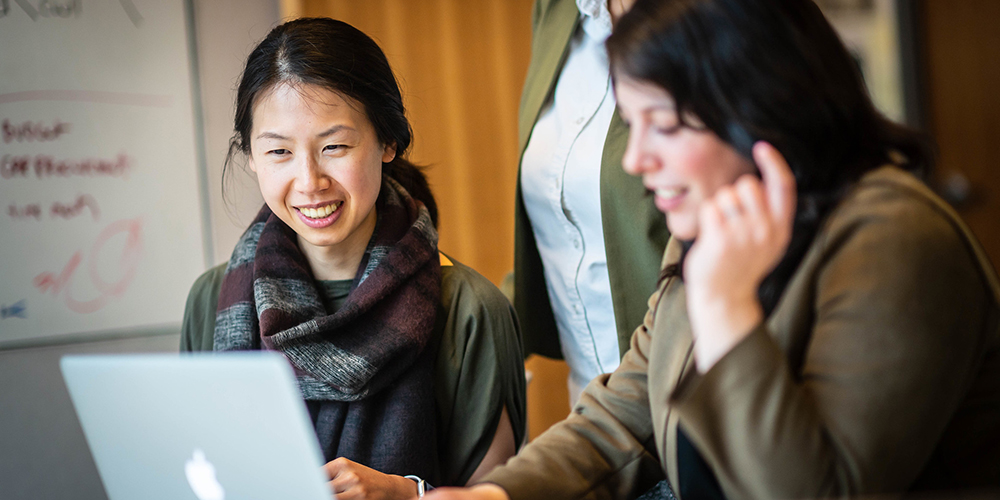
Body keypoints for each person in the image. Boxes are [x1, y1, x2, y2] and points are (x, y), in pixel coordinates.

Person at [427, 0, 1000, 499]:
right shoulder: (711, 223)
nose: (636, 160)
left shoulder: (896, 240)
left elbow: (813, 491)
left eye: (667, 125)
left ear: (759, 107)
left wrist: (728, 310)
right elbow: (625, 418)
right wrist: (499, 494)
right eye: (633, 123)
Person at [180, 17, 526, 499]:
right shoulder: (211, 300)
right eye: (279, 151)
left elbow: (496, 493)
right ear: (251, 157)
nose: (309, 181)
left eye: (334, 147)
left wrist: (409, 493)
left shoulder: (470, 309)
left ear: (388, 142)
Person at [516, 0, 670, 406]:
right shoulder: (557, 11)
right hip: (592, 398)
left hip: (684, 388)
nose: (637, 157)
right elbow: (565, 223)